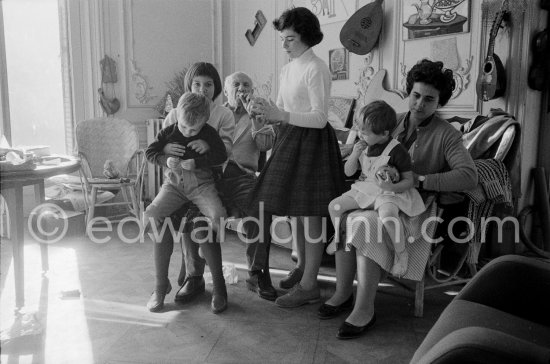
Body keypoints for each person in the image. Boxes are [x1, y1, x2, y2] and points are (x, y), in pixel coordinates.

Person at [319, 59, 478, 339]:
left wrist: (421, 179)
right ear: (409, 93)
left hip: (415, 205)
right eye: (416, 96)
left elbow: (469, 176)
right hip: (379, 195)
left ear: (439, 102)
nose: (419, 104)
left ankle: (364, 308)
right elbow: (365, 145)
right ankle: (343, 292)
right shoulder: (390, 121)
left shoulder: (447, 135)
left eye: (429, 99)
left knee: (363, 223)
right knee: (344, 214)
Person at [247, 7, 346, 308]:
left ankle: (309, 285)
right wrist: (264, 110)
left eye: (290, 39)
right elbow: (280, 108)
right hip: (290, 138)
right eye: (283, 39)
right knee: (296, 213)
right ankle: (303, 268)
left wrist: (281, 114)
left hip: (313, 144)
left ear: (306, 37)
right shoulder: (288, 69)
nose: (284, 45)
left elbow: (319, 117)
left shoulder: (316, 68)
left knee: (311, 216)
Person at [179, 71, 279, 302]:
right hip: (210, 175)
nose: (241, 89)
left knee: (261, 207)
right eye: (236, 85)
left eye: (246, 85)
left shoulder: (259, 114)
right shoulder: (212, 113)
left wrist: (256, 120)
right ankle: (194, 276)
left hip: (241, 175)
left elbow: (265, 145)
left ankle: (257, 272)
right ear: (225, 91)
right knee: (190, 207)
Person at [147, 62, 235, 314]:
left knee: (204, 226)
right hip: (175, 184)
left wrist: (206, 148)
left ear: (216, 87)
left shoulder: (222, 116)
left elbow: (223, 152)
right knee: (158, 221)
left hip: (207, 182)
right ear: (189, 86)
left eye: (208, 84)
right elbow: (156, 147)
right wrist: (165, 154)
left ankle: (217, 286)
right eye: (197, 84)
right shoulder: (176, 114)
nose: (202, 89)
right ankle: (161, 285)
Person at [327, 100, 425, 277]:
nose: (361, 136)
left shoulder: (397, 150)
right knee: (334, 206)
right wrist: (355, 154)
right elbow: (348, 172)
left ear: (384, 133)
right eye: (361, 132)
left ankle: (401, 254)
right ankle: (338, 237)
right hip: (367, 188)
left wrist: (391, 186)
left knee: (388, 217)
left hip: (389, 192)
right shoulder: (364, 145)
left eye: (366, 133)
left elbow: (409, 181)